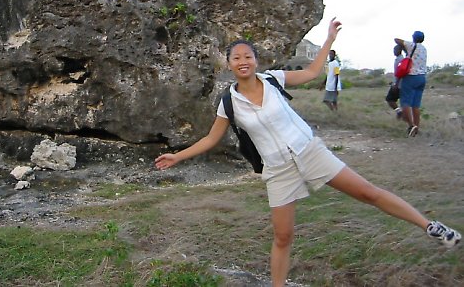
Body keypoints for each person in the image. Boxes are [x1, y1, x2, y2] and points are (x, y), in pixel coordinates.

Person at [155, 18, 460, 287]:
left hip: (310, 151)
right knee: (283, 236)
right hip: (278, 169)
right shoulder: (229, 102)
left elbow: (313, 71)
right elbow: (211, 138)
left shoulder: (273, 79)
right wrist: (177, 156)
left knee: (368, 192)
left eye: (248, 56)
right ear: (229, 64)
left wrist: (329, 39)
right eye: (236, 58)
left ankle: (430, 226)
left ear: (256, 60)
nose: (243, 61)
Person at [394, 31, 428, 137]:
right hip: (422, 77)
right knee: (416, 105)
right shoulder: (424, 49)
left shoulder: (411, 45)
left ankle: (411, 125)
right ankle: (416, 127)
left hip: (411, 76)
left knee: (405, 103)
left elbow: (396, 39)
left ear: (414, 37)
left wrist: (404, 46)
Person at [386, 44, 405, 119]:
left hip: (399, 84)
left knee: (389, 99)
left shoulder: (400, 60)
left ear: (399, 50)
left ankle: (399, 112)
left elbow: (400, 72)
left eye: (395, 50)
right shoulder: (400, 59)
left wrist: (396, 84)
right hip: (402, 84)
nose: (394, 52)